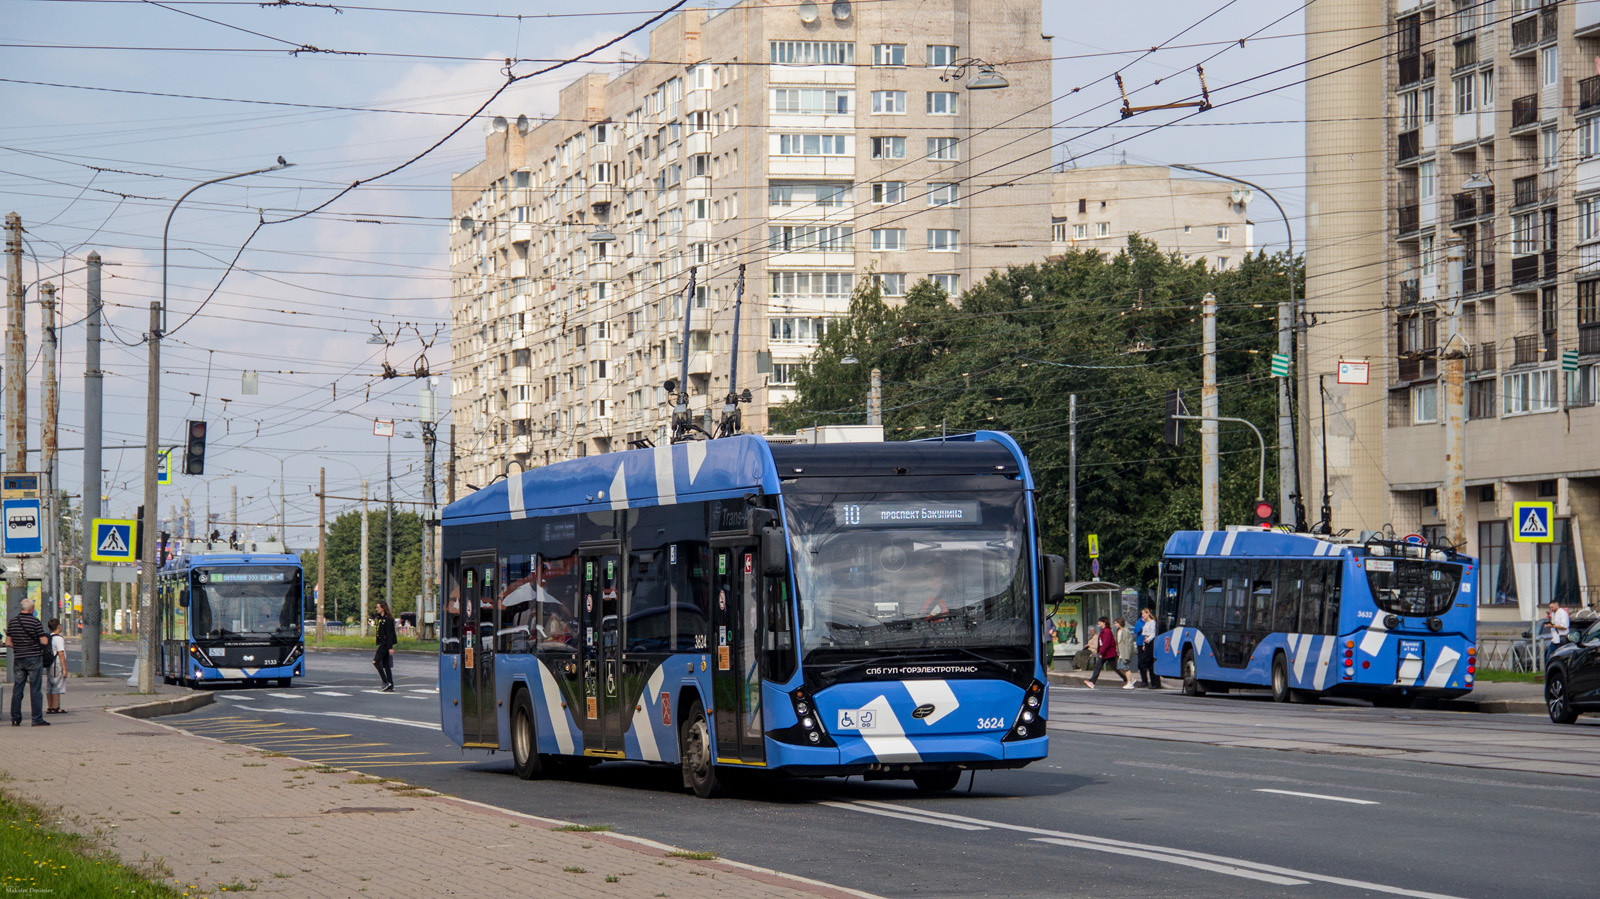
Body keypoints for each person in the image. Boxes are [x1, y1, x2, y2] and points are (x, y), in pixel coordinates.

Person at [5, 597, 52, 726]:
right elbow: (44, 641)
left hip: (19, 659)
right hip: (34, 658)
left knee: (17, 689)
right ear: (31, 609)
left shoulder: (12, 622)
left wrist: (19, 646)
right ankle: (36, 719)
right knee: (35, 689)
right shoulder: (35, 622)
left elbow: (8, 642)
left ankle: (15, 719)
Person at [1084, 616, 1129, 689]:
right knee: (1098, 667)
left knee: (1115, 668)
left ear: (1104, 623)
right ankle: (1092, 681)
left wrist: (1101, 652)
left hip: (1108, 653)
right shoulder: (1103, 631)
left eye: (1100, 621)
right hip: (1105, 653)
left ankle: (1127, 679)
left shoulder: (1107, 631)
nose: (1099, 623)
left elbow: (1106, 643)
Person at [373, 601, 397, 692]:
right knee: (386, 665)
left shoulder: (388, 620)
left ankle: (385, 682)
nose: (377, 609)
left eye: (378, 607)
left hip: (385, 644)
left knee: (376, 661)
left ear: (383, 608)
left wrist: (390, 647)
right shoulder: (380, 619)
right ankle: (390, 684)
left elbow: (390, 634)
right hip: (382, 643)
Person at [46, 618, 68, 714]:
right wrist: (64, 669)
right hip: (57, 664)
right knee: (57, 685)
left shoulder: (49, 637)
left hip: (50, 663)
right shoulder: (58, 638)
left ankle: (50, 707)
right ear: (58, 626)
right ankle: (55, 708)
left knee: (50, 685)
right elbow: (61, 654)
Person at [1138, 607, 1162, 689]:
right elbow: (1144, 634)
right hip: (1146, 643)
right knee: (1151, 664)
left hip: (1151, 643)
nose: (1142, 615)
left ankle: (1151, 682)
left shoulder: (1152, 622)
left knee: (1142, 661)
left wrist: (1148, 640)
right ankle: (1155, 683)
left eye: (1143, 613)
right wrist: (1144, 644)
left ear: (1148, 613)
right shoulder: (1146, 623)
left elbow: (1153, 633)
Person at [1115, 617, 1135, 690]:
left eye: (1116, 623)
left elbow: (1127, 644)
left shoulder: (1125, 631)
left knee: (1126, 668)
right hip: (1121, 652)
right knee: (1120, 667)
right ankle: (1131, 679)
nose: (1115, 625)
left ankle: (1130, 682)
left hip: (1125, 652)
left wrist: (1126, 655)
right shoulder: (1119, 631)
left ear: (1120, 623)